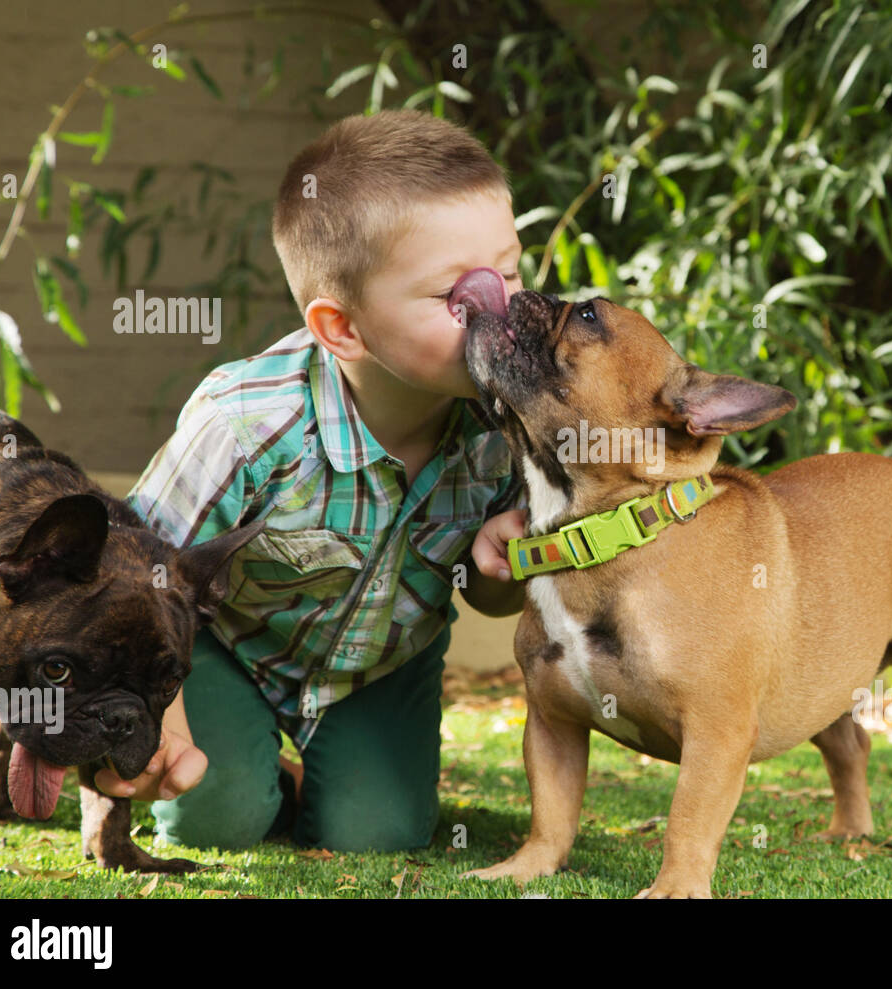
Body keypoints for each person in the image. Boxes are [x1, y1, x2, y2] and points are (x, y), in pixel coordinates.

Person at [99, 109, 528, 852]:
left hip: (381, 663)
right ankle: (249, 773)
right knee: (212, 819)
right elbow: (138, 572)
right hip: (223, 645)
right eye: (457, 299)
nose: (501, 310)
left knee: (381, 835)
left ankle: (322, 782)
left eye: (512, 272)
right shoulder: (247, 423)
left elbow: (491, 595)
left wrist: (508, 561)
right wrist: (157, 713)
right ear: (343, 329)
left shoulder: (510, 423)